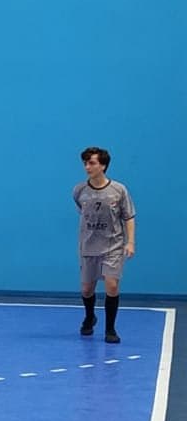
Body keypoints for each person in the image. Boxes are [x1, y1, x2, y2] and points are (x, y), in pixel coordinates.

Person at [73, 146, 135, 344]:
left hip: (113, 246)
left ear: (103, 165)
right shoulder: (79, 191)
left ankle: (110, 329)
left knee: (112, 285)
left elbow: (129, 216)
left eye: (91, 163)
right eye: (85, 163)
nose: (87, 167)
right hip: (89, 246)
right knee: (86, 289)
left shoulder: (119, 190)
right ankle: (90, 316)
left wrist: (130, 242)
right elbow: (82, 211)